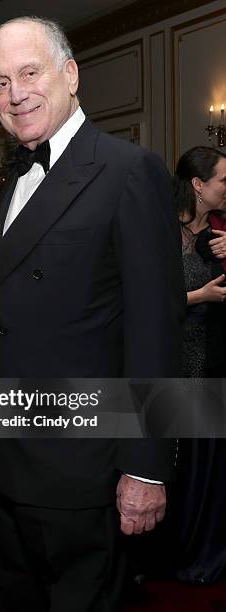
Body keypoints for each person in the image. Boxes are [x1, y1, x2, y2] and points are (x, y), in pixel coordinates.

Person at [0, 16, 186, 612]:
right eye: (0, 83)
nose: (15, 95)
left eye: (29, 73)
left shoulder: (129, 170)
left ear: (70, 73)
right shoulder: (10, 181)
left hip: (79, 468)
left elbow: (156, 331)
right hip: (1, 457)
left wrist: (147, 468)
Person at [171, 146, 226, 583]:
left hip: (213, 362)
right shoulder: (163, 230)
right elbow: (143, 301)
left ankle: (206, 553)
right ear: (198, 185)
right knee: (180, 467)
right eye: (223, 179)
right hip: (175, 364)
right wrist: (199, 297)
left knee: (209, 468)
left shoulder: (220, 232)